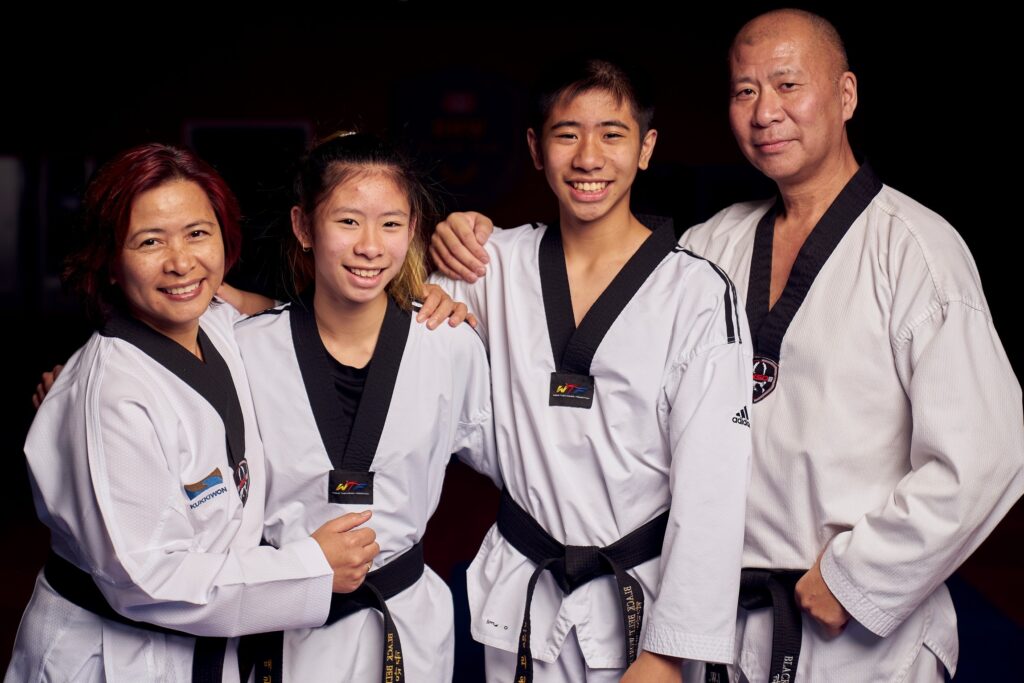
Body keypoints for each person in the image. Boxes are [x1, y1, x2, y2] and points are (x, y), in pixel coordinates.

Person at [433, 11, 1024, 682]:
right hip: (722, 620)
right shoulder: (711, 245)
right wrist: (460, 252)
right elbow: (601, 347)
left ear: (846, 96)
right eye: (745, 91)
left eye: (787, 84)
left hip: (857, 631)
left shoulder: (916, 251)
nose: (765, 111)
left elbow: (988, 453)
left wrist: (860, 576)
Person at [7, 143, 382, 683]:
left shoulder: (217, 322)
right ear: (109, 260)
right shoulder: (112, 392)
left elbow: (288, 317)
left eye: (197, 234)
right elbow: (148, 580)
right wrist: (312, 566)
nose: (180, 261)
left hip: (206, 648)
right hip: (116, 657)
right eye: (149, 241)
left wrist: (435, 301)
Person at [431, 59, 752, 682]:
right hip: (526, 591)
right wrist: (427, 273)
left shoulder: (695, 292)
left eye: (612, 133)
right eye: (565, 133)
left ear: (646, 148)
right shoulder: (486, 266)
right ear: (534, 147)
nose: (588, 157)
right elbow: (372, 329)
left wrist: (669, 652)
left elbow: (713, 488)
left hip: (643, 605)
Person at [232, 132, 500, 683]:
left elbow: (520, 463)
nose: (370, 246)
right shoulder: (248, 349)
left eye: (391, 224)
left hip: (406, 625)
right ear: (304, 227)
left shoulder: (447, 342)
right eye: (348, 221)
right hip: (286, 622)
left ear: (413, 231)